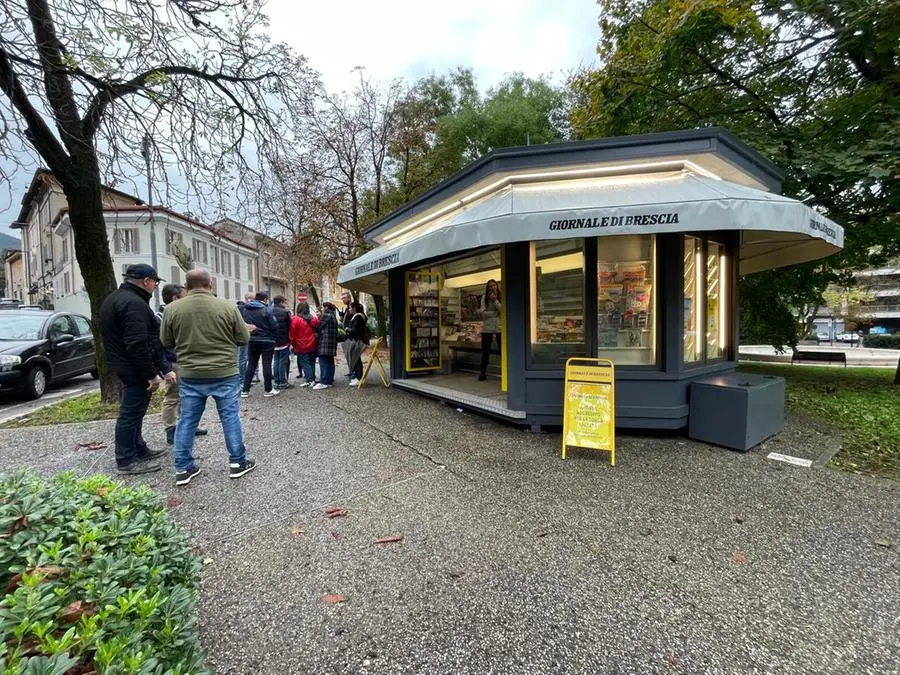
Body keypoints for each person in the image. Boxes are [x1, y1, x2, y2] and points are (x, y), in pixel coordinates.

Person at [160, 269, 256, 485]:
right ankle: (237, 463)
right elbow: (242, 338)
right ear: (210, 284)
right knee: (230, 416)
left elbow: (166, 341)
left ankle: (183, 468)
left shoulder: (172, 309)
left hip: (191, 373)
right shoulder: (227, 307)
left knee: (187, 420)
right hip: (224, 372)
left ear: (187, 286)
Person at [98, 264, 169, 475]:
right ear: (146, 281)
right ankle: (126, 459)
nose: (156, 287)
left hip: (125, 364)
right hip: (133, 367)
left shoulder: (118, 298)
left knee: (136, 412)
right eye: (155, 282)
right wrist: (151, 374)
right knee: (130, 413)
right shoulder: (133, 304)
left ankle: (138, 448)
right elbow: (137, 342)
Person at [155, 284, 209, 445]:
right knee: (172, 396)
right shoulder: (160, 317)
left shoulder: (176, 314)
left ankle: (187, 426)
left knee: (186, 396)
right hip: (173, 363)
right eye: (184, 297)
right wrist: (165, 368)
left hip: (184, 361)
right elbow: (159, 346)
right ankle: (171, 429)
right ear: (174, 298)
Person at [240, 291, 279, 397]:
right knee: (266, 364)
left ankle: (245, 390)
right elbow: (274, 325)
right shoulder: (266, 310)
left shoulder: (245, 309)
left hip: (252, 339)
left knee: (251, 364)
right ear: (265, 299)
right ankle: (268, 390)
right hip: (267, 340)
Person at [289, 301, 319, 387]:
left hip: (301, 345)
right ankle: (312, 378)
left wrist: (292, 343)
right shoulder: (314, 319)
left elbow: (292, 334)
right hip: (313, 344)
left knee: (305, 363)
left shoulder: (296, 319)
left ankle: (309, 380)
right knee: (312, 362)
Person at [479, 279, 501, 381]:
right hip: (487, 328)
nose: (492, 287)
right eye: (490, 286)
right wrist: (495, 314)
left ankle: (505, 372)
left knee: (503, 350)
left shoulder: (501, 296)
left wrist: (495, 300)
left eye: (494, 285)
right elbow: (483, 313)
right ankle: (482, 372)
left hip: (499, 328)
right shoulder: (484, 298)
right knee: (485, 351)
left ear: (497, 286)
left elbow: (502, 310)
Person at [345, 301, 370, 387]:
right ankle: (357, 376)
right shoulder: (360, 316)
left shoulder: (358, 317)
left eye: (351, 308)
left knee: (356, 359)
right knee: (356, 358)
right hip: (359, 340)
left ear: (354, 308)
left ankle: (358, 378)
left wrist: (348, 330)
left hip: (357, 341)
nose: (350, 310)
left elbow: (355, 330)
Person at [314, 302, 338, 390]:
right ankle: (330, 381)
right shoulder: (333, 316)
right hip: (332, 343)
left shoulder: (326, 315)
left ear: (326, 307)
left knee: (323, 361)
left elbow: (318, 327)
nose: (322, 310)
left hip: (325, 343)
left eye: (323, 308)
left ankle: (324, 381)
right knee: (330, 361)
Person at [272, 296, 293, 390]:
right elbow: (290, 326)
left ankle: (276, 382)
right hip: (284, 340)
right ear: (281, 302)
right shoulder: (285, 312)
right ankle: (283, 382)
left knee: (276, 360)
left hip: (273, 340)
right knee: (282, 361)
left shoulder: (269, 311)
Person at [237, 292, 255, 382]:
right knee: (244, 357)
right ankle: (243, 378)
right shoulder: (241, 308)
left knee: (246, 357)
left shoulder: (242, 308)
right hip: (246, 335)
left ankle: (244, 378)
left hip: (247, 335)